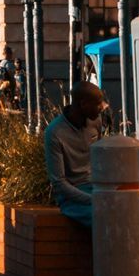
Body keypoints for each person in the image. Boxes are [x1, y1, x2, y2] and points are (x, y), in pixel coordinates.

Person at [43, 82, 106, 226]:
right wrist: (93, 198)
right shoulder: (54, 133)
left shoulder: (95, 121)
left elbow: (99, 158)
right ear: (83, 104)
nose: (102, 107)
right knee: (102, 215)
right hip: (72, 197)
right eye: (97, 104)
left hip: (96, 187)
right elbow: (59, 184)